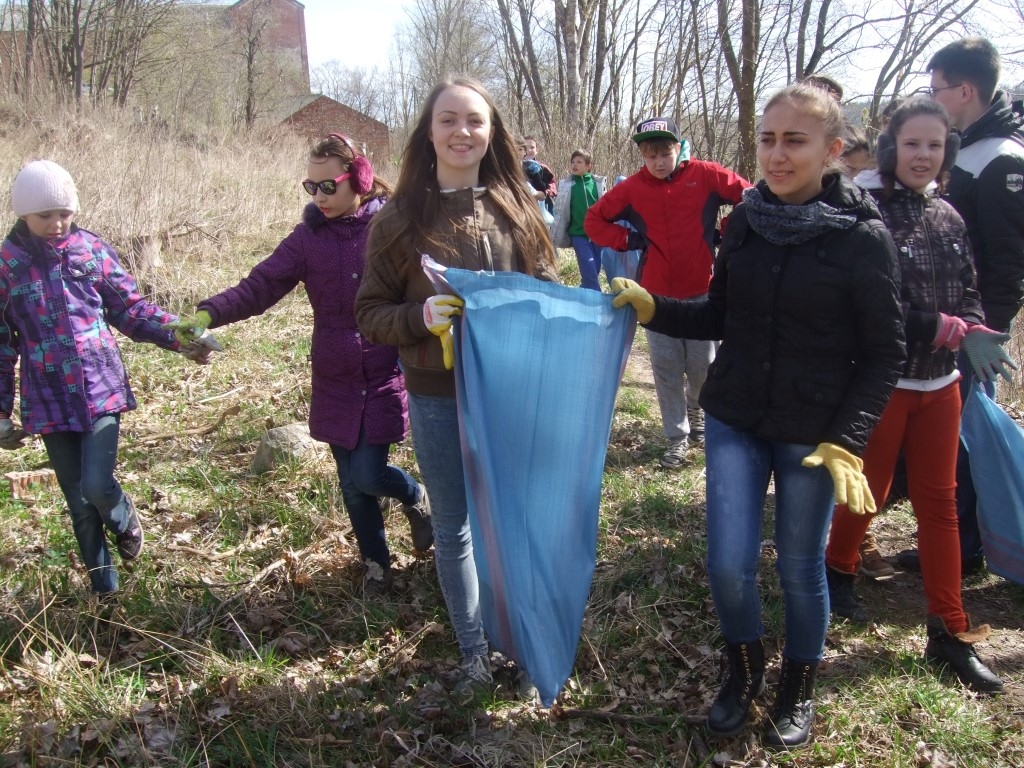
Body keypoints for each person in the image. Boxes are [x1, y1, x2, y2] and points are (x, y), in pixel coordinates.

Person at [610, 84, 906, 748]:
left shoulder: (865, 240)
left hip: (814, 431)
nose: (777, 154)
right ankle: (742, 671)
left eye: (794, 140)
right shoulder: (743, 220)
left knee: (801, 566)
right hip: (737, 413)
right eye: (768, 139)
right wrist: (654, 306)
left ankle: (798, 684)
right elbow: (721, 314)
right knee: (727, 564)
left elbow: (886, 353)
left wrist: (847, 439)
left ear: (831, 150)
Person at [355, 76, 559, 698]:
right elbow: (368, 312)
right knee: (455, 524)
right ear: (429, 132)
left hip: (511, 393)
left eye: (475, 120)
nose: (462, 132)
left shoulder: (520, 209)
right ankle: (473, 653)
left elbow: (547, 291)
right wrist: (419, 319)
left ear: (492, 131)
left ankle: (523, 647)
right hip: (437, 395)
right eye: (449, 120)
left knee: (515, 523)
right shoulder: (396, 222)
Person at [165, 135, 431, 596]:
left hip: (382, 369)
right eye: (312, 187)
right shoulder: (307, 239)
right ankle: (376, 564)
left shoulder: (387, 227)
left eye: (329, 186)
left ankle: (416, 497)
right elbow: (260, 285)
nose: (320, 197)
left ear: (359, 179)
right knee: (350, 484)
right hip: (333, 376)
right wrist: (209, 312)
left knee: (369, 474)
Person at [823, 98, 1005, 694]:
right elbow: (871, 310)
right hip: (886, 385)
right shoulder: (867, 213)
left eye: (934, 145)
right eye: (911, 144)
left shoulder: (950, 216)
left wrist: (974, 326)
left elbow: (969, 289)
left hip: (943, 386)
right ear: (890, 150)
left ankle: (949, 632)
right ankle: (838, 569)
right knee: (867, 491)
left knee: (941, 506)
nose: (923, 155)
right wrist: (942, 327)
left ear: (946, 152)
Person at [0, 160, 216, 596]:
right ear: (23, 213)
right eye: (46, 215)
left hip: (100, 388)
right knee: (77, 501)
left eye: (65, 213)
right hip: (48, 398)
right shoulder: (7, 266)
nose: (57, 223)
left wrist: (181, 336)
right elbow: (2, 344)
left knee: (97, 485)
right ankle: (106, 592)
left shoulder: (91, 250)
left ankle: (123, 516)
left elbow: (131, 310)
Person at [897, 37, 1024, 574]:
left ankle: (968, 548)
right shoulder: (964, 148)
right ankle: (955, 541)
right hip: (940, 331)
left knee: (965, 443)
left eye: (936, 90)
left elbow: (1005, 262)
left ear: (964, 91)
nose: (932, 98)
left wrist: (982, 335)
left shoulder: (999, 160)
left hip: (971, 336)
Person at [585, 117, 750, 468]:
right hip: (655, 299)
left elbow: (750, 196)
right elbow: (593, 221)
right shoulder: (632, 188)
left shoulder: (705, 175)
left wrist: (728, 229)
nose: (659, 161)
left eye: (665, 152)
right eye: (650, 154)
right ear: (642, 156)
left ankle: (698, 411)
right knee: (666, 370)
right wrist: (628, 240)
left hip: (703, 294)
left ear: (679, 148)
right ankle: (676, 436)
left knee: (703, 368)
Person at [551, 149, 607, 290]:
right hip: (578, 234)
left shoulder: (597, 184)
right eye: (573, 162)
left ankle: (585, 292)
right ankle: (596, 298)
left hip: (597, 235)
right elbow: (559, 211)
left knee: (594, 269)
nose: (574, 165)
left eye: (579, 162)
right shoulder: (567, 186)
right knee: (587, 267)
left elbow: (607, 208)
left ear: (588, 166)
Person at [523, 135, 558, 215]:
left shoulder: (542, 168)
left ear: (536, 150)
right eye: (525, 147)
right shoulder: (515, 166)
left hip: (542, 207)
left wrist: (543, 193)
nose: (528, 150)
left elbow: (552, 187)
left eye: (532, 147)